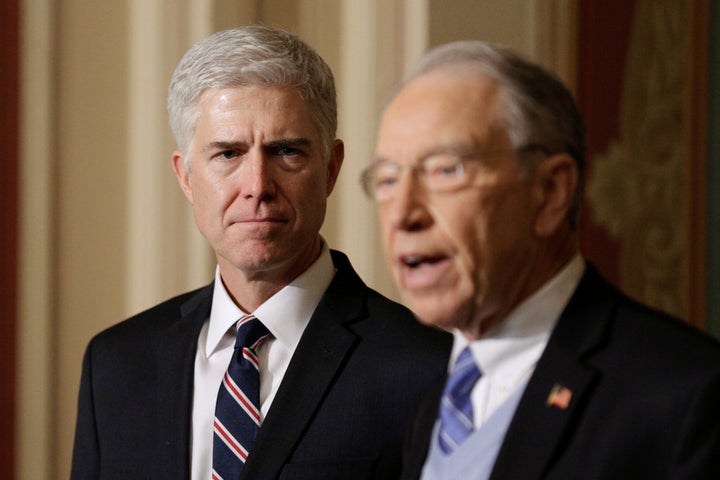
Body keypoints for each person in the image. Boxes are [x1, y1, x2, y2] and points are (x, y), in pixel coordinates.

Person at [70, 25, 451, 480]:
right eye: (228, 154)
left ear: (331, 168)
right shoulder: (115, 365)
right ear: (186, 176)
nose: (257, 187)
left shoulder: (427, 365)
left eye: (286, 151)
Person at [363, 40, 720, 479]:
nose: (403, 214)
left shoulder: (683, 395)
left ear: (550, 192)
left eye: (446, 170)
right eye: (387, 179)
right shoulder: (430, 403)